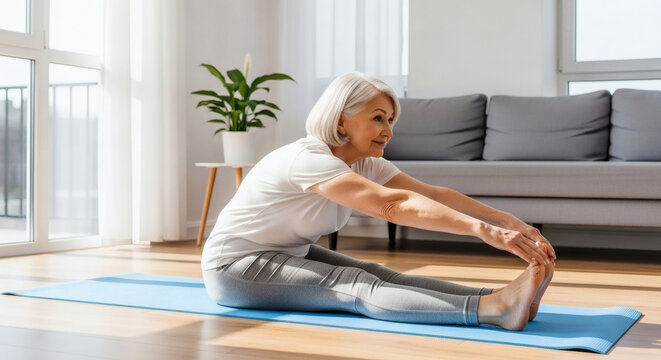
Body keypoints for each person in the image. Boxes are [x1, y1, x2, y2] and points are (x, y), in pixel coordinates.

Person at [202, 72, 556, 331]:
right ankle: (495, 308)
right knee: (352, 286)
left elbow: (431, 195)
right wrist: (483, 232)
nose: (388, 130)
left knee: (377, 273)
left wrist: (509, 223)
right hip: (235, 267)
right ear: (341, 120)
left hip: (285, 251)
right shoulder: (307, 158)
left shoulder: (365, 162)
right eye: (377, 118)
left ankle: (502, 297)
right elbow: (393, 205)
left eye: (390, 120)